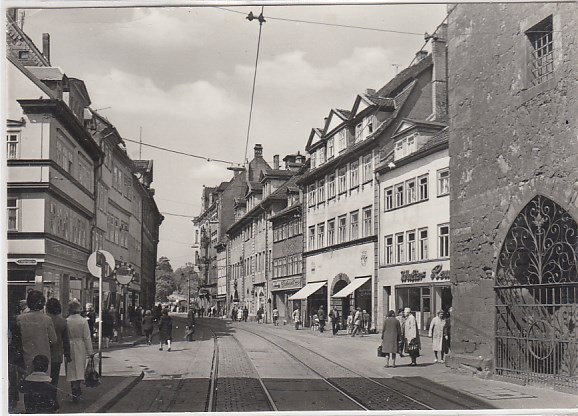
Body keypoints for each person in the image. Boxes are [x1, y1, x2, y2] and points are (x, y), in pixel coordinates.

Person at [16, 290, 57, 376]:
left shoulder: (20, 319)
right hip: (43, 356)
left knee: (27, 379)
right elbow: (53, 340)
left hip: (26, 356)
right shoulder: (47, 319)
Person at [66, 299, 94, 403]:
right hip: (80, 345)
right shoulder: (83, 321)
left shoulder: (66, 321)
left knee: (71, 369)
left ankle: (73, 388)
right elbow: (87, 337)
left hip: (69, 345)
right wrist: (90, 352)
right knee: (80, 368)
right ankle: (77, 386)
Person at [46, 298, 71, 411]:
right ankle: (53, 399)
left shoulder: (44, 319)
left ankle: (45, 400)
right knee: (54, 379)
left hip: (44, 353)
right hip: (57, 354)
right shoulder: (62, 321)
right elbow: (66, 340)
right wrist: (67, 354)